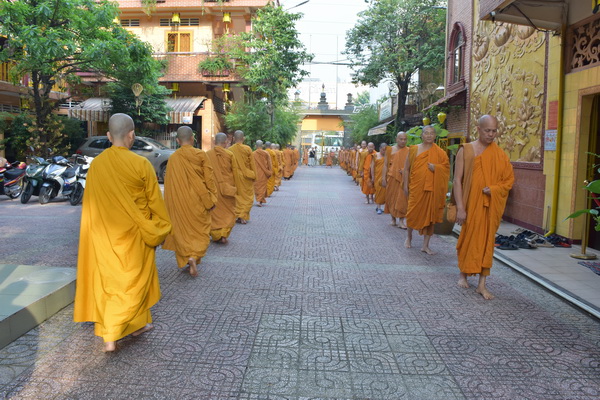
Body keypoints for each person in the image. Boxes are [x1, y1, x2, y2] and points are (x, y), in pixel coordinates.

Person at [73, 113, 172, 352]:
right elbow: (155, 203)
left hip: (105, 236)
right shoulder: (141, 164)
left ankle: (113, 335)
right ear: (132, 135)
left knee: (109, 283)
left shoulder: (97, 165)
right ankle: (126, 326)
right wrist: (159, 230)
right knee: (134, 282)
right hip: (135, 236)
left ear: (108, 136)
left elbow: (91, 204)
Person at [454, 115, 514, 300]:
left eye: (494, 131)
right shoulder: (466, 150)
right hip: (471, 204)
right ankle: (463, 274)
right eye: (487, 130)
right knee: (469, 238)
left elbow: (508, 181)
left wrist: (494, 189)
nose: (491, 134)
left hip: (489, 207)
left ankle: (482, 284)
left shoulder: (499, 155)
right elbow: (457, 180)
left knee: (487, 242)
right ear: (478, 129)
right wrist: (460, 208)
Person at [162, 126, 217, 277]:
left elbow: (169, 185)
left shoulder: (173, 158)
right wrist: (212, 199)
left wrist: (169, 206)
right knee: (200, 231)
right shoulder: (200, 154)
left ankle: (188, 257)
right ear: (192, 138)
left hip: (180, 203)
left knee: (182, 232)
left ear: (177, 140)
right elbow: (209, 179)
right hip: (198, 200)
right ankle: (194, 255)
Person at [404, 125, 450, 254]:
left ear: (435, 136)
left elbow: (446, 169)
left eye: (431, 133)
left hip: (432, 190)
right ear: (422, 135)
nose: (429, 135)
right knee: (411, 213)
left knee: (430, 216)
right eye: (426, 133)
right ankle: (409, 237)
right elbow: (406, 169)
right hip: (416, 187)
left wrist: (437, 168)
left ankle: (425, 245)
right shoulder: (414, 149)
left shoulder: (440, 153)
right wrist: (405, 185)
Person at [207, 132, 240, 244]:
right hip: (227, 189)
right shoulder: (230, 155)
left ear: (214, 142)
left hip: (212, 189)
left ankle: (217, 234)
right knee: (228, 212)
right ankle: (224, 234)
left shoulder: (207, 155)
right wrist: (237, 189)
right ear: (226, 142)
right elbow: (235, 173)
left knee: (214, 212)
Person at [229, 130, 256, 224]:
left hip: (234, 176)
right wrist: (255, 176)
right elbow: (252, 164)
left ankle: (238, 215)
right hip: (246, 176)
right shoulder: (247, 149)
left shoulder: (230, 150)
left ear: (233, 138)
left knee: (237, 196)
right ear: (243, 138)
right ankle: (242, 216)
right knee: (247, 197)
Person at [386, 132, 409, 228]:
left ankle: (401, 220)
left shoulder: (409, 151)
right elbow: (385, 165)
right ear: (396, 139)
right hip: (392, 177)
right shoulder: (390, 150)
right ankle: (393, 218)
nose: (403, 141)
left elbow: (411, 165)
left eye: (404, 139)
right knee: (391, 198)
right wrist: (383, 178)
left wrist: (404, 171)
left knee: (402, 199)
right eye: (401, 139)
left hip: (403, 178)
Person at [253, 140, 272, 206]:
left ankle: (259, 200)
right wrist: (270, 172)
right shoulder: (266, 153)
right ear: (263, 146)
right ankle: (259, 200)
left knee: (257, 187)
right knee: (262, 187)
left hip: (256, 173)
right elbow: (269, 164)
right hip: (264, 173)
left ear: (255, 146)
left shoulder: (253, 154)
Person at [373, 143, 387, 214]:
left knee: (385, 193)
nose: (384, 151)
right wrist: (372, 176)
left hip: (385, 177)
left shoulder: (388, 156)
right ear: (380, 149)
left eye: (386, 150)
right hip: (377, 177)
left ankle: (383, 207)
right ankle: (379, 208)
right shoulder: (376, 155)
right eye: (383, 150)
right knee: (378, 192)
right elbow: (372, 167)